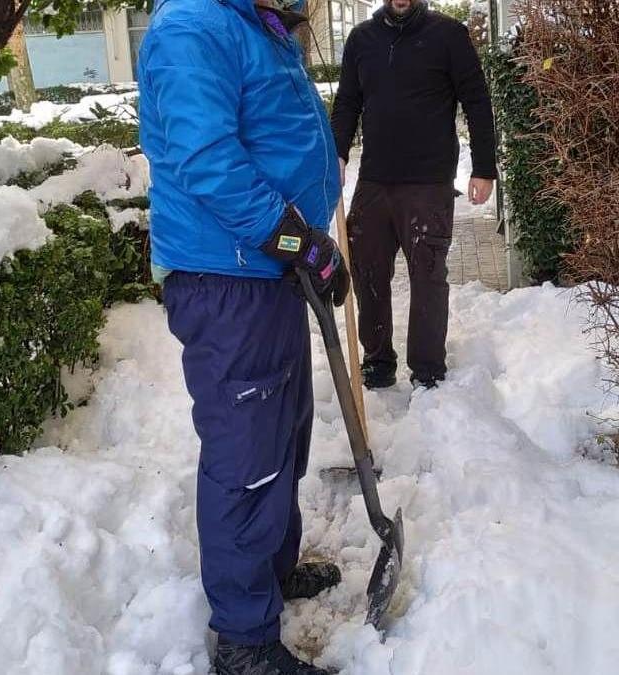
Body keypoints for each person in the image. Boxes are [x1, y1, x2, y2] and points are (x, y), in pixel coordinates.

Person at [138, 0, 349, 672]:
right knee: (246, 455)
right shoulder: (192, 27)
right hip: (225, 278)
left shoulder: (255, 23)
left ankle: (270, 574)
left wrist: (315, 248)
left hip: (266, 271)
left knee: (283, 430)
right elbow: (209, 163)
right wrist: (297, 240)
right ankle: (244, 639)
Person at [331, 0, 498, 390]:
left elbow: (476, 101)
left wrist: (484, 168)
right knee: (367, 268)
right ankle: (377, 360)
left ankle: (426, 369)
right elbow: (347, 103)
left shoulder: (448, 35)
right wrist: (337, 151)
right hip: (374, 180)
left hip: (429, 182)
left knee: (427, 276)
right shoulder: (361, 39)